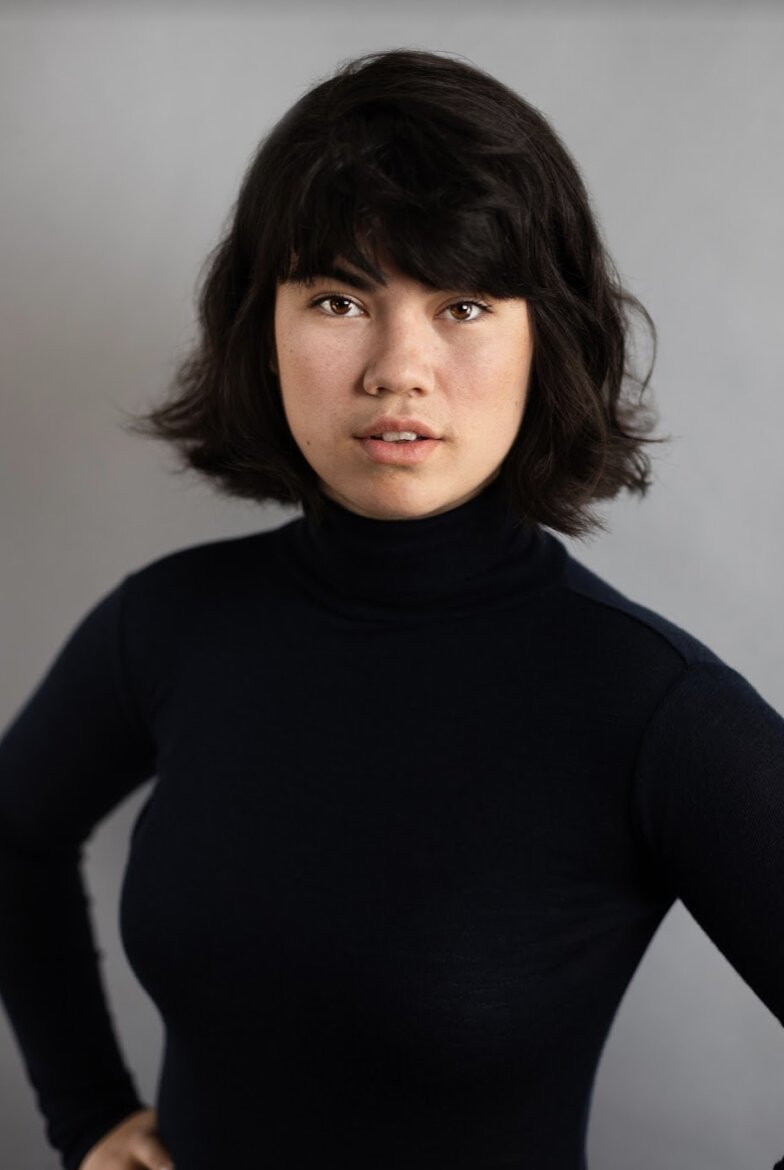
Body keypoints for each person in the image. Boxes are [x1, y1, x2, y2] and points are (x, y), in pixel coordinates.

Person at [0, 46, 782, 1170]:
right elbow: (14, 834)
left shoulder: (652, 707)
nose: (397, 368)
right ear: (263, 329)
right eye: (337, 299)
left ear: (545, 337)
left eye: (462, 303)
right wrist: (87, 1116)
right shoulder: (166, 626)